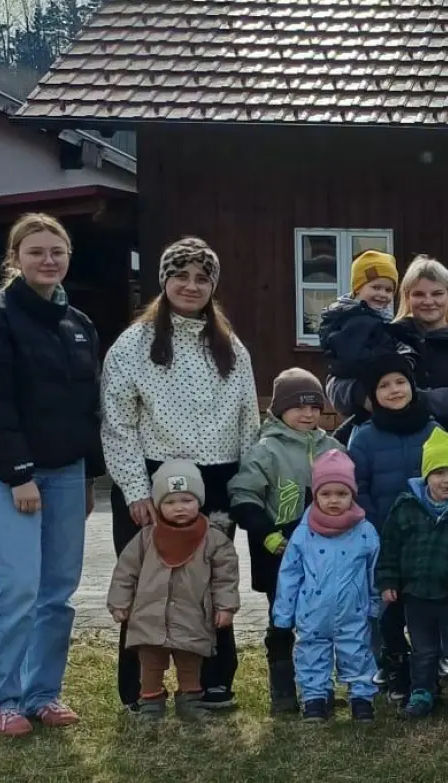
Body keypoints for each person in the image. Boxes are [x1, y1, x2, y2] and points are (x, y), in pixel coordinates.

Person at [101, 235, 260, 711]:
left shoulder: (231, 347)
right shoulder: (133, 345)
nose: (191, 286)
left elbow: (249, 422)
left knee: (206, 583)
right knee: (149, 584)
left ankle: (210, 683)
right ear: (164, 281)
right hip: (152, 479)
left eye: (201, 278)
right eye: (181, 276)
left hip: (216, 481)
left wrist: (244, 487)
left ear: (212, 286)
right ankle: (141, 688)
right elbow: (118, 423)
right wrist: (134, 488)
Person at [0, 213, 102, 736]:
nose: (48, 260)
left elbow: (87, 407)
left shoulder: (78, 324)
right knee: (18, 586)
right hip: (8, 474)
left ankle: (41, 693)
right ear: (15, 258)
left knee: (57, 589)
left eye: (57, 252)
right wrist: (19, 473)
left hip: (66, 473)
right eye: (37, 251)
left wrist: (88, 476)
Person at [228, 368, 343, 713]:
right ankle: (282, 689)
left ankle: (317, 687)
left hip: (325, 553)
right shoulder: (266, 450)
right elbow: (244, 496)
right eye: (298, 407)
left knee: (321, 623)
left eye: (314, 407)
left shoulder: (333, 447)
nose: (308, 414)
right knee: (282, 621)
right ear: (279, 410)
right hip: (278, 552)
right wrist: (267, 535)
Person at [106, 461, 240, 721]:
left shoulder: (213, 539)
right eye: (170, 502)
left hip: (192, 614)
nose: (179, 507)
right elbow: (125, 572)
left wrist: (226, 606)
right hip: (149, 616)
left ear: (199, 501)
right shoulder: (146, 538)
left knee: (190, 661)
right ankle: (150, 703)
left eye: (187, 500)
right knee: (151, 663)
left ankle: (190, 700)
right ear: (157, 506)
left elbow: (225, 577)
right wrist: (119, 602)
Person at [377, 428, 448, 724]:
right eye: (438, 472)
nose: (446, 480)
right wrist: (389, 581)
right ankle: (422, 691)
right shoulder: (406, 506)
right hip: (416, 593)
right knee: (423, 649)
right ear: (426, 474)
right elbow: (390, 545)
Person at [346, 355, 438, 704]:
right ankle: (390, 663)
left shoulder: (433, 430)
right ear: (373, 395)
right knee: (385, 606)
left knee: (427, 604)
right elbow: (359, 487)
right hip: (382, 537)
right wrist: (373, 527)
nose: (394, 390)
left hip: (428, 537)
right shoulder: (365, 438)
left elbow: (447, 480)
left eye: (399, 382)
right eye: (384, 385)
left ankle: (430, 666)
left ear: (411, 386)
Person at [272, 450, 381, 723]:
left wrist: (376, 603)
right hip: (312, 611)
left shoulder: (364, 530)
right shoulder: (303, 532)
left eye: (341, 494)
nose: (334, 500)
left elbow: (374, 570)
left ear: (352, 495)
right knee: (311, 654)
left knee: (357, 652)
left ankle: (361, 699)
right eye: (326, 494)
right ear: (316, 495)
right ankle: (314, 699)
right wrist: (284, 612)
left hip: (352, 610)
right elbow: (290, 573)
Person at [388, 256, 448, 424]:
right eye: (419, 294)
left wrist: (412, 398)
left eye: (437, 293)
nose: (428, 301)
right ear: (407, 298)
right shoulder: (390, 342)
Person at [319, 249, 401, 423]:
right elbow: (352, 358)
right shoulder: (358, 320)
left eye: (388, 290)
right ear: (357, 289)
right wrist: (387, 358)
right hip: (360, 386)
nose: (382, 294)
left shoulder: (375, 318)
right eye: (375, 287)